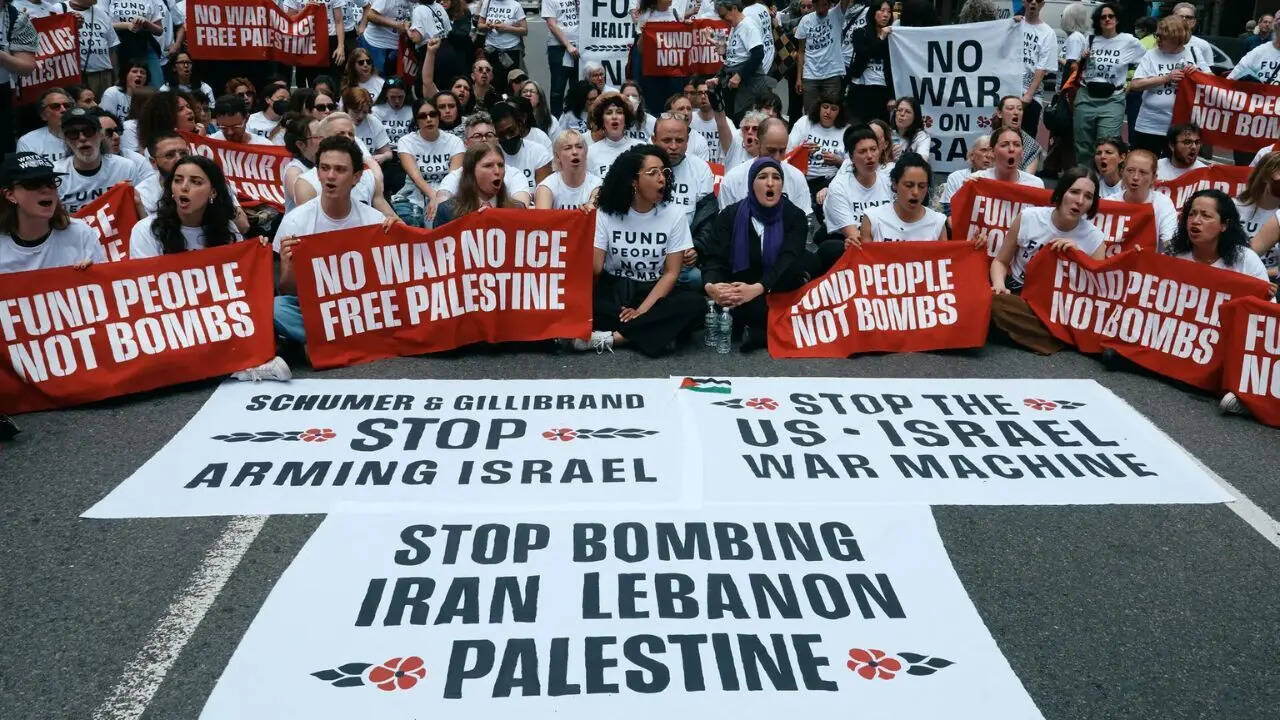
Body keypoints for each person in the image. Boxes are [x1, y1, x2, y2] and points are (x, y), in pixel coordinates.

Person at [576, 145, 704, 355]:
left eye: (664, 171)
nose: (661, 178)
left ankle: (614, 338)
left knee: (695, 304)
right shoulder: (606, 214)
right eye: (652, 173)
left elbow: (671, 274)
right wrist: (587, 221)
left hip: (653, 294)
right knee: (584, 305)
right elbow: (596, 269)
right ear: (633, 181)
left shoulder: (674, 214)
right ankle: (657, 334)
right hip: (614, 293)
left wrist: (641, 312)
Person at [274, 135, 398, 346]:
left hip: (360, 307)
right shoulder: (295, 220)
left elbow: (389, 285)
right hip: (317, 308)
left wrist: (397, 238)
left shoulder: (374, 221)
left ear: (356, 177)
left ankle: (324, 342)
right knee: (277, 308)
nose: (330, 176)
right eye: (324, 168)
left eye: (340, 170)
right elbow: (288, 290)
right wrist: (290, 265)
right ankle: (344, 340)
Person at [989, 166, 1106, 354]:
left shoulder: (1095, 238)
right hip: (1021, 293)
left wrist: (1079, 257)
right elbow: (1001, 261)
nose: (1080, 201)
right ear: (1061, 193)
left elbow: (1095, 292)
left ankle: (1049, 334)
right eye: (1074, 192)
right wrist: (999, 284)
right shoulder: (1029, 217)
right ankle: (1060, 337)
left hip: (1060, 304)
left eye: (1088, 196)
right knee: (991, 301)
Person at [704, 156, 811, 351]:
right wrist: (713, 287)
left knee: (796, 309)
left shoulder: (794, 216)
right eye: (762, 177)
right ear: (751, 183)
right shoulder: (730, 215)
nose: (770, 183)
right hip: (739, 288)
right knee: (717, 304)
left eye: (776, 178)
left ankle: (758, 333)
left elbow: (788, 260)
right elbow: (715, 258)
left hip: (778, 287)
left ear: (782, 185)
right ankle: (764, 330)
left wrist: (758, 288)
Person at [0, 152, 104, 274]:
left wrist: (93, 275)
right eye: (33, 184)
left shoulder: (81, 234)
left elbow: (105, 288)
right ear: (10, 194)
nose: (46, 189)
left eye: (51, 182)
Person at [129, 155, 244, 257]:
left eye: (196, 182)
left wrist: (260, 248)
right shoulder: (146, 230)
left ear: (213, 192)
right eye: (178, 180)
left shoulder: (228, 228)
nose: (184, 187)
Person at [1072, 3, 1144, 166]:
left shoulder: (1129, 41)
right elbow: (1075, 66)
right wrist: (1082, 58)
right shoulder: (1090, 39)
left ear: (1117, 19)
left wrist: (1130, 84)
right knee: (1083, 145)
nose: (1107, 19)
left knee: (1107, 145)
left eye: (1110, 16)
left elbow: (1145, 64)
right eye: (1103, 17)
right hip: (1086, 96)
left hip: (1112, 99)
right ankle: (1085, 181)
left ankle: (1105, 184)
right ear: (1098, 21)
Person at [294, 112, 397, 219]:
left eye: (351, 134)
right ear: (323, 139)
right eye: (340, 134)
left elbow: (389, 216)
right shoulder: (307, 184)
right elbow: (305, 228)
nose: (347, 138)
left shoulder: (369, 176)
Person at [1130, 15, 1207, 156]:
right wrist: (1166, 78)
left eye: (1162, 37)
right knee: (1144, 167)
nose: (1157, 40)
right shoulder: (1151, 55)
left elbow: (1210, 84)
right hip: (1149, 125)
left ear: (1176, 39)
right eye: (1157, 35)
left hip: (1181, 128)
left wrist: (1197, 75)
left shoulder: (1193, 54)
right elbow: (1135, 85)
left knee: (1175, 170)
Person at [52, 108, 147, 215]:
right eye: (73, 133)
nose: (82, 138)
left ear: (101, 134)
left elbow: (140, 212)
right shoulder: (55, 174)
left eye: (89, 131)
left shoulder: (125, 168)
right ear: (65, 139)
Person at [435, 112, 533, 205]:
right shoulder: (456, 176)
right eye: (477, 136)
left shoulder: (514, 175)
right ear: (466, 144)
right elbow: (442, 200)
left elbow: (521, 204)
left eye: (489, 135)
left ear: (497, 141)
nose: (484, 140)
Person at [719, 117, 811, 214]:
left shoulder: (797, 178)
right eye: (771, 151)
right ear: (758, 144)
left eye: (782, 151)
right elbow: (725, 223)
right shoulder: (733, 179)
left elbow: (803, 220)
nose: (777, 158)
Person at [396, 95, 465, 218]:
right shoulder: (406, 142)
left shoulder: (455, 142)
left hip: (448, 193)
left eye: (433, 114)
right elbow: (417, 178)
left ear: (438, 116)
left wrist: (440, 198)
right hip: (414, 195)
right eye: (422, 116)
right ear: (416, 120)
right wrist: (434, 196)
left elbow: (453, 178)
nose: (429, 119)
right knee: (410, 222)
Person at [857, 153, 948, 244]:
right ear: (894, 184)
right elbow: (864, 256)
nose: (915, 192)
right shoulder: (872, 219)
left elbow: (945, 257)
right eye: (909, 185)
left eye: (922, 186)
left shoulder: (938, 223)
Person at [432, 144, 524, 227]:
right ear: (471, 171)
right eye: (488, 166)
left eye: (500, 165)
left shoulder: (518, 209)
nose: (497, 171)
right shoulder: (447, 211)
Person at [1105, 149, 1177, 252]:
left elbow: (1169, 242)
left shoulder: (1163, 203)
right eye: (1130, 170)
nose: (1135, 177)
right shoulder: (1108, 203)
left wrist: (1170, 251)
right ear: (1122, 172)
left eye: (1143, 172)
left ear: (1154, 178)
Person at [715, 0, 771, 122]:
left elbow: (758, 54)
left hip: (748, 84)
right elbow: (735, 57)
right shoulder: (735, 27)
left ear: (734, 8)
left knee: (745, 120)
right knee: (734, 120)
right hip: (735, 82)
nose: (723, 19)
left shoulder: (748, 25)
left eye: (724, 15)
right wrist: (724, 52)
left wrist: (739, 76)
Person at [794, 0, 849, 116]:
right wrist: (799, 78)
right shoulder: (806, 20)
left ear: (829, 5)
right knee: (810, 113)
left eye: (824, 5)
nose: (821, 9)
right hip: (810, 75)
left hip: (832, 74)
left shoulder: (836, 14)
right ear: (814, 5)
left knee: (831, 113)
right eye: (818, 5)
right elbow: (801, 51)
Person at [788, 93, 847, 201]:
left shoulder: (846, 130)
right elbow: (787, 153)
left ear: (840, 112)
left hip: (829, 180)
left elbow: (853, 167)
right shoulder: (805, 122)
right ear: (818, 107)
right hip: (799, 177)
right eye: (825, 107)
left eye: (834, 109)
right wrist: (802, 151)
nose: (828, 112)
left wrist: (838, 161)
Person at [846, 0, 893, 125]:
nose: (885, 15)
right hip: (861, 89)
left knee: (879, 130)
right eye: (882, 10)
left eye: (889, 11)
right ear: (873, 12)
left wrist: (892, 96)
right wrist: (881, 38)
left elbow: (896, 68)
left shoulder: (893, 36)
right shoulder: (860, 33)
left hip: (882, 91)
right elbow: (865, 54)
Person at [1016, 0, 1057, 137]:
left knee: (1026, 138)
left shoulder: (1048, 32)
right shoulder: (1014, 24)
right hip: (1009, 90)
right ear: (1024, 2)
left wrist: (1029, 95)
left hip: (1032, 96)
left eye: (1038, 0)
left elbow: (1042, 66)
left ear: (1042, 4)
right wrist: (1010, 23)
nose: (1033, 2)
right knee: (1003, 136)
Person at [535, 128, 602, 210]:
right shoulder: (546, 187)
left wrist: (591, 205)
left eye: (579, 147)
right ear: (557, 156)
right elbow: (542, 220)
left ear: (586, 153)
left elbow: (594, 203)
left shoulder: (597, 184)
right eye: (568, 148)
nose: (575, 152)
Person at [66, 0, 120, 100]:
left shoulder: (102, 14)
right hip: (75, 76)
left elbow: (112, 48)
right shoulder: (59, 9)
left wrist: (116, 77)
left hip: (104, 75)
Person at [586, 93, 645, 179]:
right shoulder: (590, 153)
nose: (614, 117)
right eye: (609, 113)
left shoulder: (641, 148)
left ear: (625, 119)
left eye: (619, 112)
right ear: (602, 120)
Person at [969, 126, 1045, 188]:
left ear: (1022, 152)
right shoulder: (977, 179)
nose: (1011, 149)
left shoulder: (1035, 184)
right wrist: (968, 187)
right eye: (1004, 145)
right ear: (992, 152)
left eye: (1017, 145)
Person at [939, 133, 992, 215]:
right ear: (972, 156)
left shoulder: (1004, 178)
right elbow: (949, 212)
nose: (989, 155)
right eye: (984, 150)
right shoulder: (956, 177)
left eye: (992, 151)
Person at [688, 77, 737, 164]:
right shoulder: (690, 120)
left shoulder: (726, 122)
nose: (703, 96)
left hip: (720, 171)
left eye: (707, 93)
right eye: (699, 93)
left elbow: (733, 149)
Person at [18, 89, 74, 165]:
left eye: (67, 106)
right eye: (55, 106)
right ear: (43, 115)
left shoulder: (87, 135)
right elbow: (31, 175)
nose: (63, 110)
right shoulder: (28, 141)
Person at [361, 0, 413, 77]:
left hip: (397, 46)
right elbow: (370, 15)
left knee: (393, 82)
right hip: (377, 44)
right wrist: (396, 24)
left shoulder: (413, 3)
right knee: (378, 80)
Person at [281, 115, 321, 213]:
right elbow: (307, 207)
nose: (324, 138)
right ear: (301, 145)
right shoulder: (294, 171)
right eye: (318, 136)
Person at [992, 95, 1042, 173]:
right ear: (999, 113)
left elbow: (1028, 179)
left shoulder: (1033, 146)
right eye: (1010, 108)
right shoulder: (988, 139)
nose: (1016, 112)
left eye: (1020, 109)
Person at [343, 87, 393, 163]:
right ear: (347, 107)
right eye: (356, 111)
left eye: (365, 112)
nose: (361, 116)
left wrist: (383, 156)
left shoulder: (373, 122)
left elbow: (388, 153)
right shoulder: (337, 122)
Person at [478, 0, 526, 74]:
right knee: (493, 81)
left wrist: (506, 28)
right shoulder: (487, 3)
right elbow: (480, 25)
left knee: (512, 81)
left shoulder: (516, 5)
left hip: (512, 51)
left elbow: (524, 30)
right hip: (491, 50)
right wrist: (487, 26)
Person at [1170, 2, 1214, 70]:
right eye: (1180, 16)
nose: (1184, 19)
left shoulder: (1202, 45)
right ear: (1171, 19)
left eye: (1188, 17)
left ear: (1194, 22)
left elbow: (1209, 76)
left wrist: (1197, 71)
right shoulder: (1161, 42)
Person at [372, 77, 413, 145]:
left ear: (406, 94)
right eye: (393, 97)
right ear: (386, 95)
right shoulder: (375, 111)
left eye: (400, 97)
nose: (397, 101)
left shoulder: (413, 110)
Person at [890, 95, 929, 161]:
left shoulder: (921, 136)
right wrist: (889, 157)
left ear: (915, 117)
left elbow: (922, 161)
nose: (902, 114)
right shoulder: (887, 132)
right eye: (899, 110)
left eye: (907, 111)